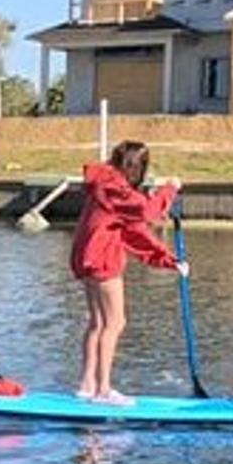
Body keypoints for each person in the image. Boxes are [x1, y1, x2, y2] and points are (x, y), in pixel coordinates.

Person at [71, 141, 188, 405]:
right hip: (103, 259)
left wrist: (169, 261)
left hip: (85, 257)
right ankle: (103, 390)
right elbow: (149, 212)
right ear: (137, 168)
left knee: (97, 323)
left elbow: (134, 233)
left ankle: (87, 385)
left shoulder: (103, 184)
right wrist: (170, 189)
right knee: (115, 322)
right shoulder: (117, 191)